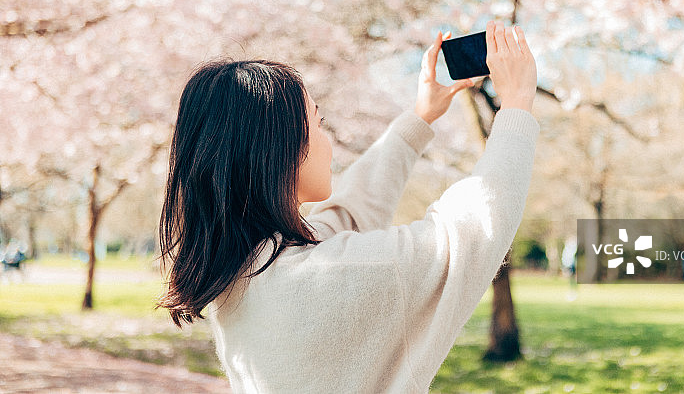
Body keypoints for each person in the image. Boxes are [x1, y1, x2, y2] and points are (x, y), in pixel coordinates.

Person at [158, 21, 539, 393]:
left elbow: (346, 215)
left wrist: (419, 118)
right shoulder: (322, 283)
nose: (328, 143)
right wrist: (517, 105)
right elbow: (466, 236)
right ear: (280, 151)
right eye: (318, 124)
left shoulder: (244, 271)